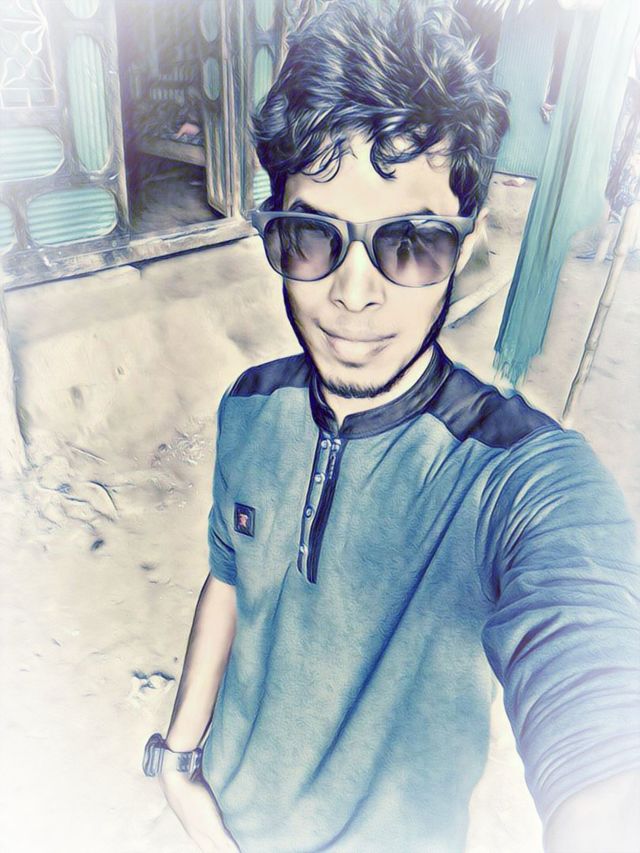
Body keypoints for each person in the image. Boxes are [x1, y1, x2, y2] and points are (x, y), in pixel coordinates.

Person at [143, 2, 640, 851]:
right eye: (311, 238)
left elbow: (597, 700)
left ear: (463, 250)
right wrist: (180, 764)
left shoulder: (519, 477)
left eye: (410, 244)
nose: (354, 294)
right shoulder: (249, 406)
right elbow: (229, 579)